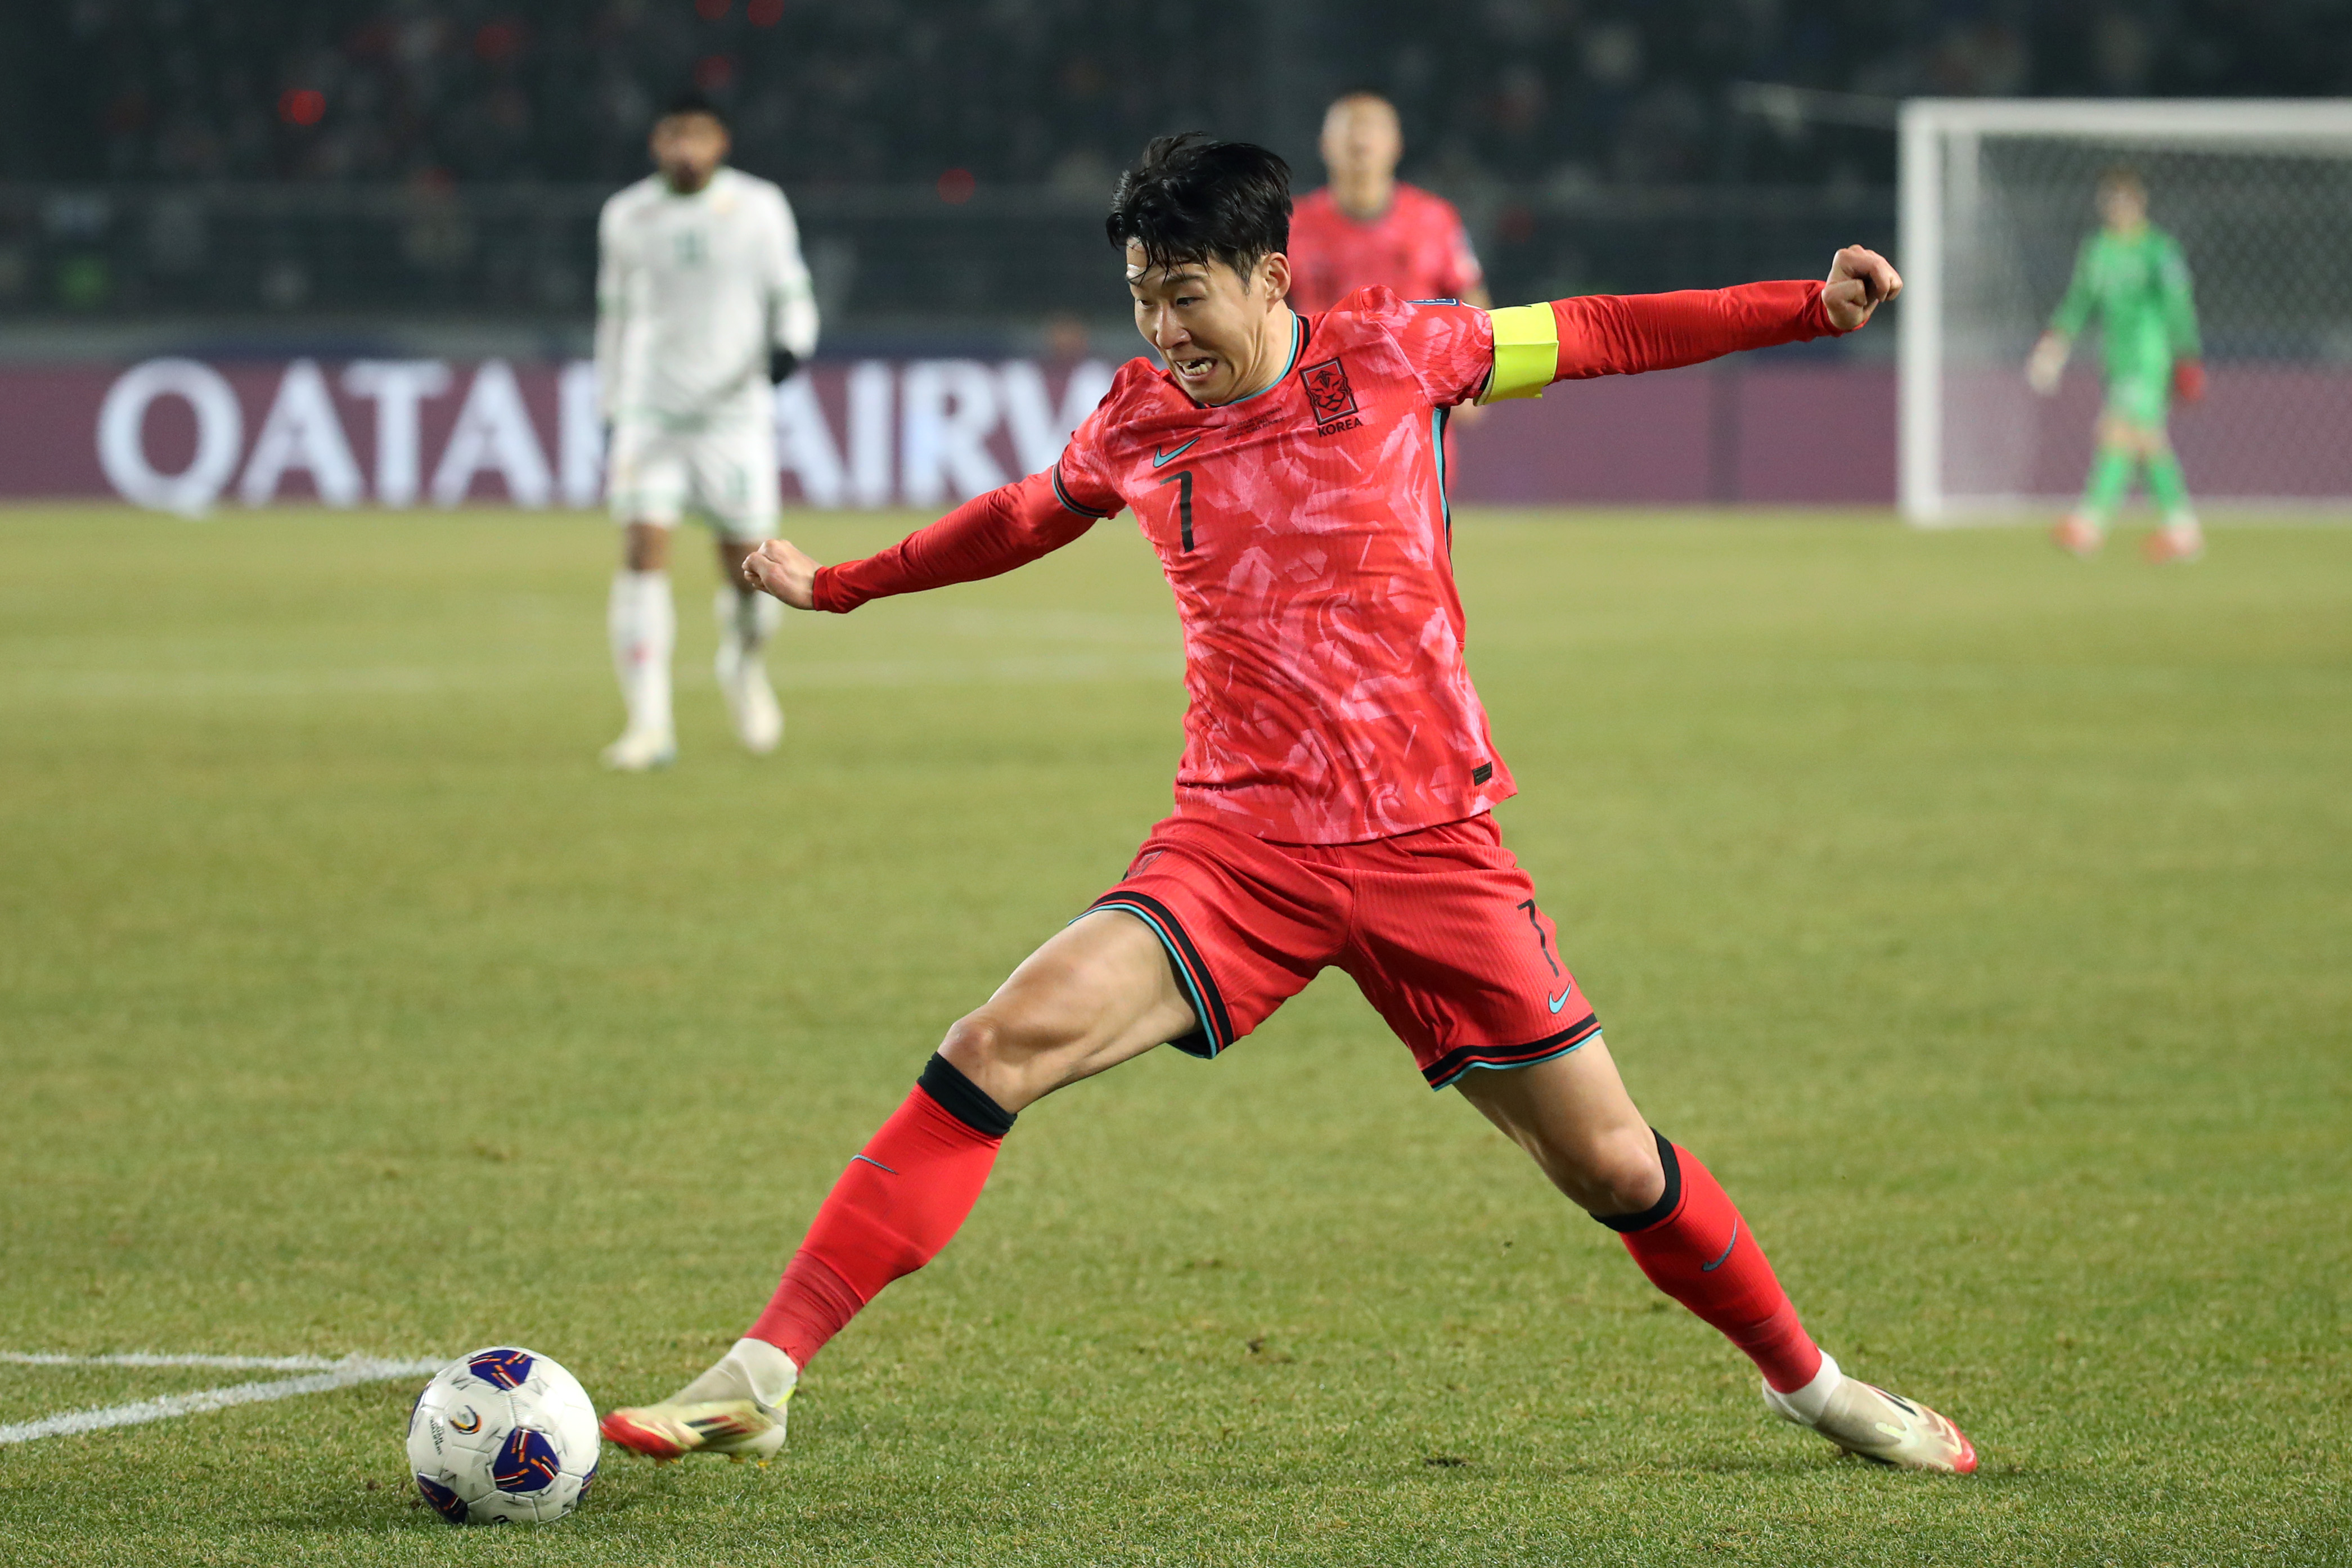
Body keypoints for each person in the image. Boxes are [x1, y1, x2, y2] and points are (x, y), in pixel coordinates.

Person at [600, 135, 1977, 1475]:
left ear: (1269, 276)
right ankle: (763, 1371)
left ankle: (1816, 1386)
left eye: (1182, 290)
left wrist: (1812, 307)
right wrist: (839, 584)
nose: (1158, 326)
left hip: (1430, 842)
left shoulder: (1401, 356)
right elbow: (1021, 514)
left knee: (1615, 1168)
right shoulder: (1135, 420)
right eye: (1139, 292)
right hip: (1237, 849)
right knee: (995, 1041)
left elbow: (1603, 328)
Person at [595, 88, 821, 771]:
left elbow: (792, 294)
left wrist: (792, 347)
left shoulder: (758, 207)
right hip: (650, 411)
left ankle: (743, 667)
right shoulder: (626, 215)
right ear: (655, 143)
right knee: (641, 550)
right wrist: (610, 405)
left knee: (749, 570)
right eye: (672, 135)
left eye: (696, 135)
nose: (683, 149)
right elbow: (614, 316)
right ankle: (648, 725)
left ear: (720, 141)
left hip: (732, 415)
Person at [2029, 168, 2205, 564]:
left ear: (2140, 204)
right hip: (2115, 357)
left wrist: (2187, 355)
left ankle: (2090, 524)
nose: (2118, 210)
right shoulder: (2098, 250)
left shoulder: (2158, 249)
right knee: (2142, 440)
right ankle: (2180, 528)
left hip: (2149, 355)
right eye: (2111, 203)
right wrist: (2055, 343)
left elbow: (2178, 304)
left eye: (2125, 202)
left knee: (2119, 432)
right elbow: (2079, 301)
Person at [1287, 92, 1489, 314]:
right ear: (1324, 144)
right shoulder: (1289, 224)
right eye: (1348, 129)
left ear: (1397, 143)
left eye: (1374, 128)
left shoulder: (1434, 218)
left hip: (1417, 348)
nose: (1361, 141)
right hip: (1321, 349)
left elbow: (1475, 307)